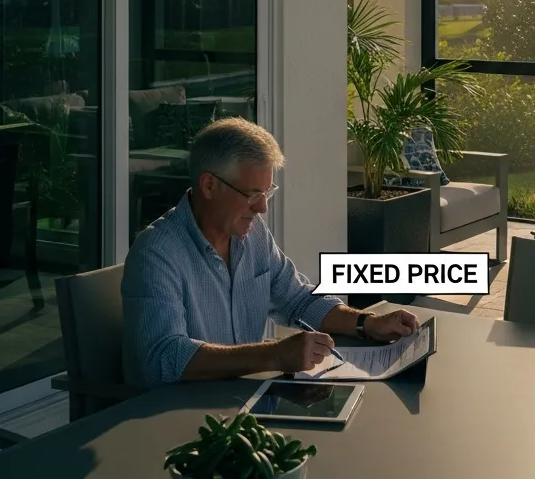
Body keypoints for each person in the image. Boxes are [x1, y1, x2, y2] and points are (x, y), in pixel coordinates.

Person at [122, 117, 417, 388]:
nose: (262, 207)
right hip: (182, 420)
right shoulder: (156, 254)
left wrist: (367, 323)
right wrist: (274, 355)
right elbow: (163, 359)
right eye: (252, 195)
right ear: (209, 185)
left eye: (266, 194)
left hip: (244, 403)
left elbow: (298, 300)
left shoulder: (253, 235)